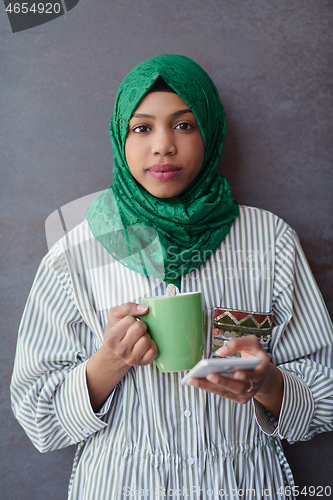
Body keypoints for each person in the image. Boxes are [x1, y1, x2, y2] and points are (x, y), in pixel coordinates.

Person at [11, 55, 333, 500]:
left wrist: (268, 383)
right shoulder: (75, 252)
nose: (163, 145)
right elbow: (38, 417)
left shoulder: (269, 239)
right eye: (142, 128)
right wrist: (111, 361)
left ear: (211, 131)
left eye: (184, 125)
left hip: (242, 484)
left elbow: (325, 386)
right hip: (120, 485)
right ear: (119, 138)